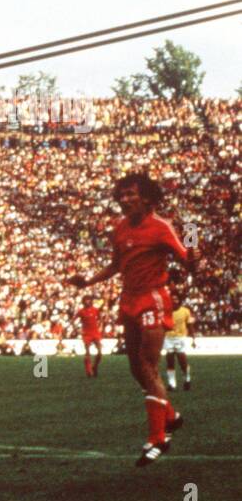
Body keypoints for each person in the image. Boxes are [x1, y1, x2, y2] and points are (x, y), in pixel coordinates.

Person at [67, 173, 197, 466]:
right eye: (121, 195)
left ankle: (158, 439)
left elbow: (188, 261)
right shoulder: (120, 228)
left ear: (147, 198)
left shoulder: (161, 227)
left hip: (152, 298)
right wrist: (88, 282)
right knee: (136, 368)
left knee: (148, 367)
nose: (124, 200)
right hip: (128, 300)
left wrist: (192, 247)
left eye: (131, 195)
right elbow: (116, 264)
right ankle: (171, 415)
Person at [164, 286, 195, 392]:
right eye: (172, 299)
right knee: (170, 361)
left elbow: (190, 325)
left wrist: (193, 339)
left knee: (182, 361)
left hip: (180, 338)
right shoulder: (166, 311)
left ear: (179, 300)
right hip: (168, 338)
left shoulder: (185, 311)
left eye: (176, 299)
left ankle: (187, 378)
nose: (174, 301)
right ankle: (172, 384)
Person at [77, 295, 103, 377]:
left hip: (95, 332)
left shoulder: (95, 310)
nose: (87, 301)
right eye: (85, 300)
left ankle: (94, 366)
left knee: (99, 352)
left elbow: (100, 319)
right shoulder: (81, 311)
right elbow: (74, 320)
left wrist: (101, 326)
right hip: (86, 333)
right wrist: (78, 328)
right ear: (83, 301)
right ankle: (88, 370)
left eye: (88, 300)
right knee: (87, 352)